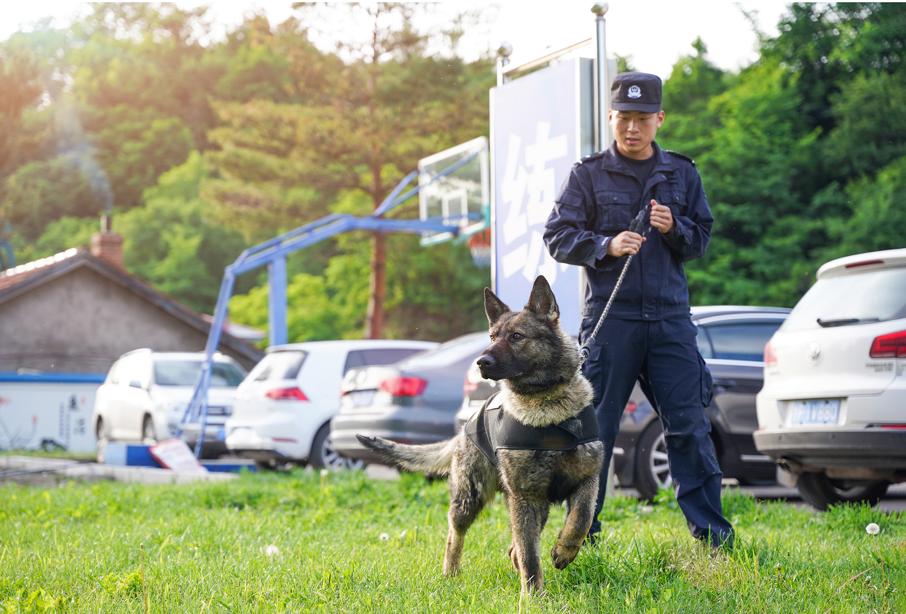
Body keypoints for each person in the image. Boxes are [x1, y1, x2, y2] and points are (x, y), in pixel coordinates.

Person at [543, 71, 734, 549]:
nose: (632, 127)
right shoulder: (587, 175)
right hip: (612, 321)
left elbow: (701, 239)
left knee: (690, 428)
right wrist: (605, 245)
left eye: (642, 118)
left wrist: (675, 228)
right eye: (624, 118)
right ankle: (582, 536)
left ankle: (713, 540)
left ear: (659, 119)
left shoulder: (682, 174)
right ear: (611, 117)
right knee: (595, 433)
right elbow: (557, 236)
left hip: (670, 321)